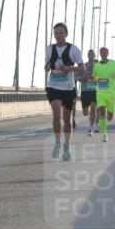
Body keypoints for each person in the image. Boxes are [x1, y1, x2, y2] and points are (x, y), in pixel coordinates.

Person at [43, 23, 84, 160]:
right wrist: (47, 67)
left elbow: (82, 68)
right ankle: (56, 143)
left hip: (68, 88)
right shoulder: (50, 49)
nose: (58, 36)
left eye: (61, 33)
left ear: (66, 34)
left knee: (67, 118)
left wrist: (69, 69)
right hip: (53, 86)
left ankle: (66, 145)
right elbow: (48, 64)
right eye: (56, 33)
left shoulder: (73, 49)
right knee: (56, 115)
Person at [91, 46, 115, 143]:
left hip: (111, 93)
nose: (103, 53)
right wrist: (92, 78)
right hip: (100, 92)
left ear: (107, 53)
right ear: (100, 54)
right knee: (101, 111)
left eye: (105, 52)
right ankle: (104, 134)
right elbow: (94, 77)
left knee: (110, 117)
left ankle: (110, 114)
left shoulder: (113, 63)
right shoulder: (97, 65)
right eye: (101, 52)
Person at [80, 49, 98, 136]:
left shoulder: (98, 66)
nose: (91, 55)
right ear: (87, 55)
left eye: (92, 54)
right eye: (89, 54)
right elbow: (76, 77)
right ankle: (91, 117)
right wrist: (85, 77)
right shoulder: (83, 66)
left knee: (93, 107)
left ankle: (91, 128)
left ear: (95, 55)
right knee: (85, 112)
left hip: (95, 90)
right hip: (85, 90)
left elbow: (103, 76)